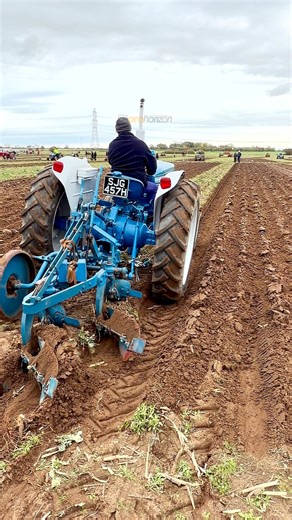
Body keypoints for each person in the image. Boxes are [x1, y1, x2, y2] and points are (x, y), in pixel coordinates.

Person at [108, 117, 157, 202]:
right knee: (155, 188)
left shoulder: (112, 145)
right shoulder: (140, 144)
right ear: (130, 127)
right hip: (136, 185)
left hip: (117, 185)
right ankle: (150, 213)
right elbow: (152, 168)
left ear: (116, 129)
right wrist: (149, 172)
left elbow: (111, 161)